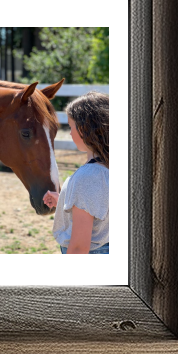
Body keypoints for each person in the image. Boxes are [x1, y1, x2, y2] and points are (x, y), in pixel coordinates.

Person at [43, 91, 109, 254]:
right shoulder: (107, 166)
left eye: (71, 127)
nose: (70, 133)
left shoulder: (88, 177)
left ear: (84, 129)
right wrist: (67, 200)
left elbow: (79, 248)